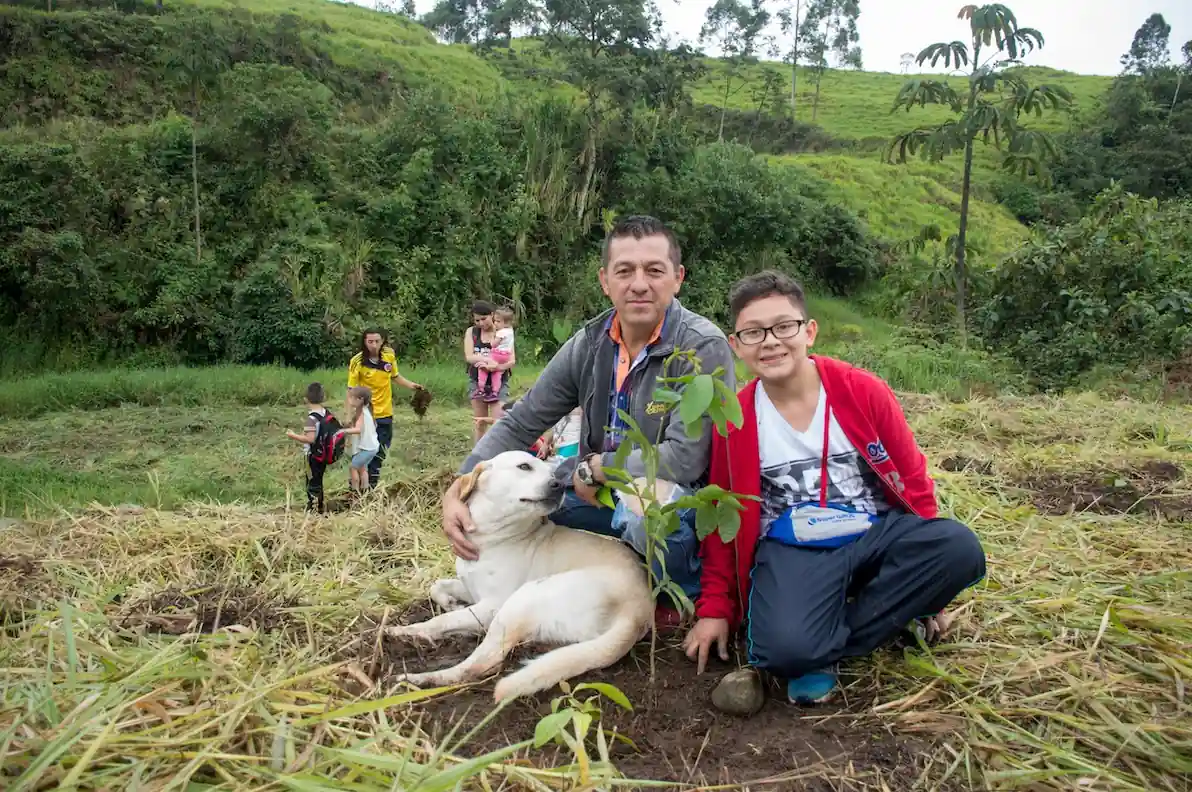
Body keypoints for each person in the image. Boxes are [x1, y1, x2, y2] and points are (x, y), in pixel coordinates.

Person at [681, 270, 987, 708]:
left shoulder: (862, 391)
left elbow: (914, 483)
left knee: (958, 548)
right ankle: (850, 633)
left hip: (872, 531)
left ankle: (825, 644)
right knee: (782, 650)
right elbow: (722, 518)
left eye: (784, 327)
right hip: (794, 547)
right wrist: (715, 608)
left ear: (809, 331)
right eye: (754, 332)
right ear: (737, 345)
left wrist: (929, 594)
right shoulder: (736, 418)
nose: (770, 341)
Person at [440, 215, 736, 628]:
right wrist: (461, 484)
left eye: (654, 270)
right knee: (520, 496)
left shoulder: (700, 346)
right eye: (624, 271)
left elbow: (683, 459)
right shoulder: (590, 343)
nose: (639, 284)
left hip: (671, 498)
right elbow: (522, 421)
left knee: (644, 509)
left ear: (678, 278)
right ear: (605, 280)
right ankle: (515, 589)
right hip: (594, 490)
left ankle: (682, 592)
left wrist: (598, 468)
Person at [347, 328, 423, 490]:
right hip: (366, 414)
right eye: (370, 342)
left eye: (377, 341)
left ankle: (371, 487)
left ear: (383, 341)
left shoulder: (389, 355)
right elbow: (351, 390)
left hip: (385, 413)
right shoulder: (357, 361)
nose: (374, 345)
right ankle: (356, 488)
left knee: (380, 451)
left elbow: (395, 376)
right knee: (364, 452)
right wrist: (349, 415)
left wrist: (412, 386)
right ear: (364, 342)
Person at [464, 301, 515, 443]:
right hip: (477, 382)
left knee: (498, 423)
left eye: (484, 319)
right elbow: (469, 357)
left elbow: (511, 360)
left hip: (499, 382)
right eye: (477, 320)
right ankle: (478, 453)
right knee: (480, 423)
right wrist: (487, 360)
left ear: (492, 315)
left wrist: (496, 367)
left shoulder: (503, 332)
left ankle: (497, 452)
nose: (481, 323)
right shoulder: (471, 332)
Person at [285, 381, 329, 514]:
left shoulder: (311, 418)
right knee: (318, 479)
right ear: (323, 397)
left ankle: (314, 509)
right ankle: (320, 504)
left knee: (311, 481)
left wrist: (293, 436)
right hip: (324, 452)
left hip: (312, 455)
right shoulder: (325, 413)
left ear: (306, 399)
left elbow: (310, 439)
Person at [341, 386, 380, 494]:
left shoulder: (362, 413)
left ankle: (355, 492)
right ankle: (365, 491)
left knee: (353, 468)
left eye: (352, 398)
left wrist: (343, 431)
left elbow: (358, 430)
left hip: (368, 449)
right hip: (372, 447)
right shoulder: (366, 410)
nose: (349, 400)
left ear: (360, 399)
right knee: (362, 468)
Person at [476, 306, 516, 400]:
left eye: (498, 321)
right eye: (495, 321)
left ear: (506, 323)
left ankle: (481, 388)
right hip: (506, 356)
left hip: (497, 354)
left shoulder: (501, 332)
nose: (495, 323)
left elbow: (493, 344)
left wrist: (493, 338)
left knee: (483, 366)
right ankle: (495, 392)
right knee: (497, 373)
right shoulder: (510, 330)